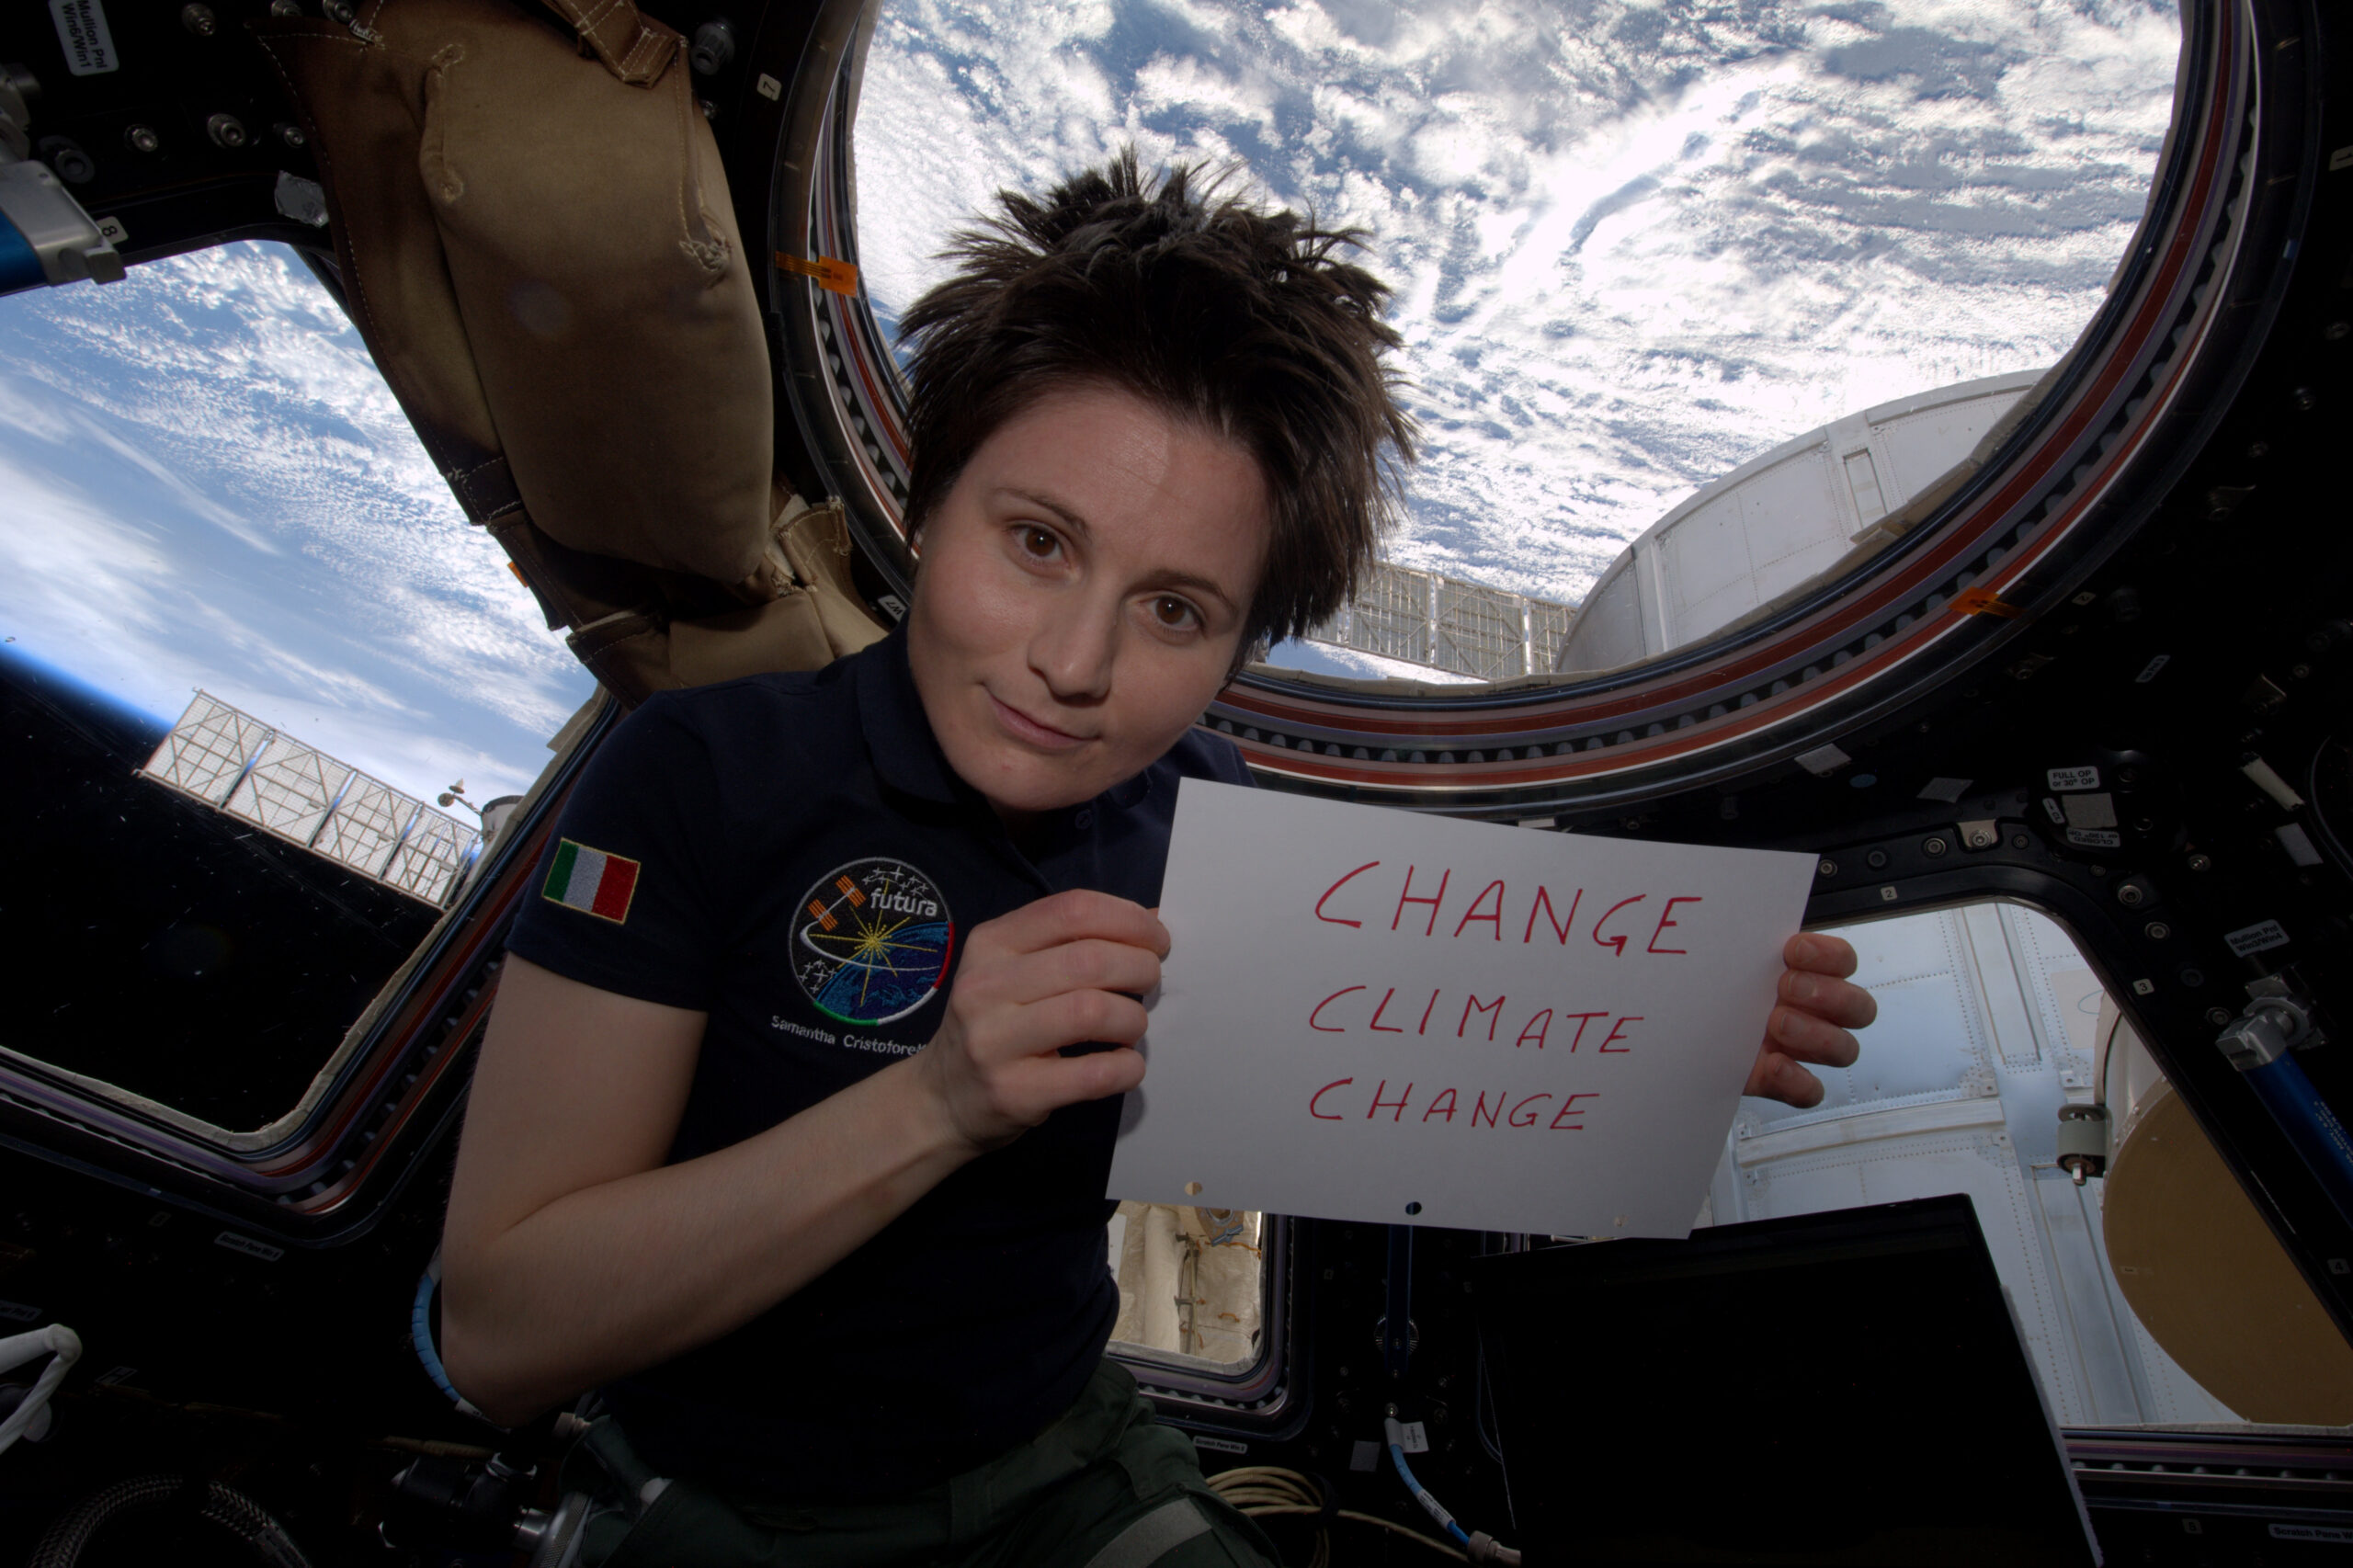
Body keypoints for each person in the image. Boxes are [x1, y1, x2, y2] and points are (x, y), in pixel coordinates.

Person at [438, 153, 1876, 1567]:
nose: (1075, 663)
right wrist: (936, 1101)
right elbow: (500, 1336)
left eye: (1175, 610)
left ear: (1239, 650)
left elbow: (1374, 1075)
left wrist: (1650, 1040)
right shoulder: (700, 776)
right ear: (927, 504)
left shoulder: (1206, 823)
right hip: (722, 1482)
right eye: (1038, 541)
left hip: (1058, 1459)